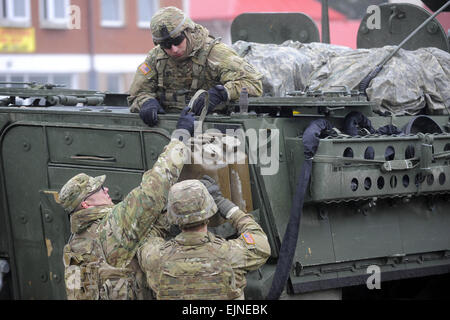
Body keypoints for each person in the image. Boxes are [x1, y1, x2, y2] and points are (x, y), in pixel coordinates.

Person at [59, 108, 194, 300]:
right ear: (86, 205)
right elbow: (152, 190)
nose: (106, 190)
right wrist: (180, 138)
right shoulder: (110, 227)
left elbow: (145, 230)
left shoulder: (75, 243)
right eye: (98, 190)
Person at [137, 176, 271, 300]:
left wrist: (171, 211)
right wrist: (225, 205)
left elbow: (148, 238)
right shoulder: (230, 255)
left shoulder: (155, 257)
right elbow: (259, 241)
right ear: (209, 209)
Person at [128, 6, 264, 126]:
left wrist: (222, 93)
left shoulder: (216, 53)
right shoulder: (156, 57)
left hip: (210, 129)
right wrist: (146, 103)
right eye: (166, 45)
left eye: (177, 41)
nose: (174, 49)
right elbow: (138, 92)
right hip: (166, 128)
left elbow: (253, 83)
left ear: (188, 32)